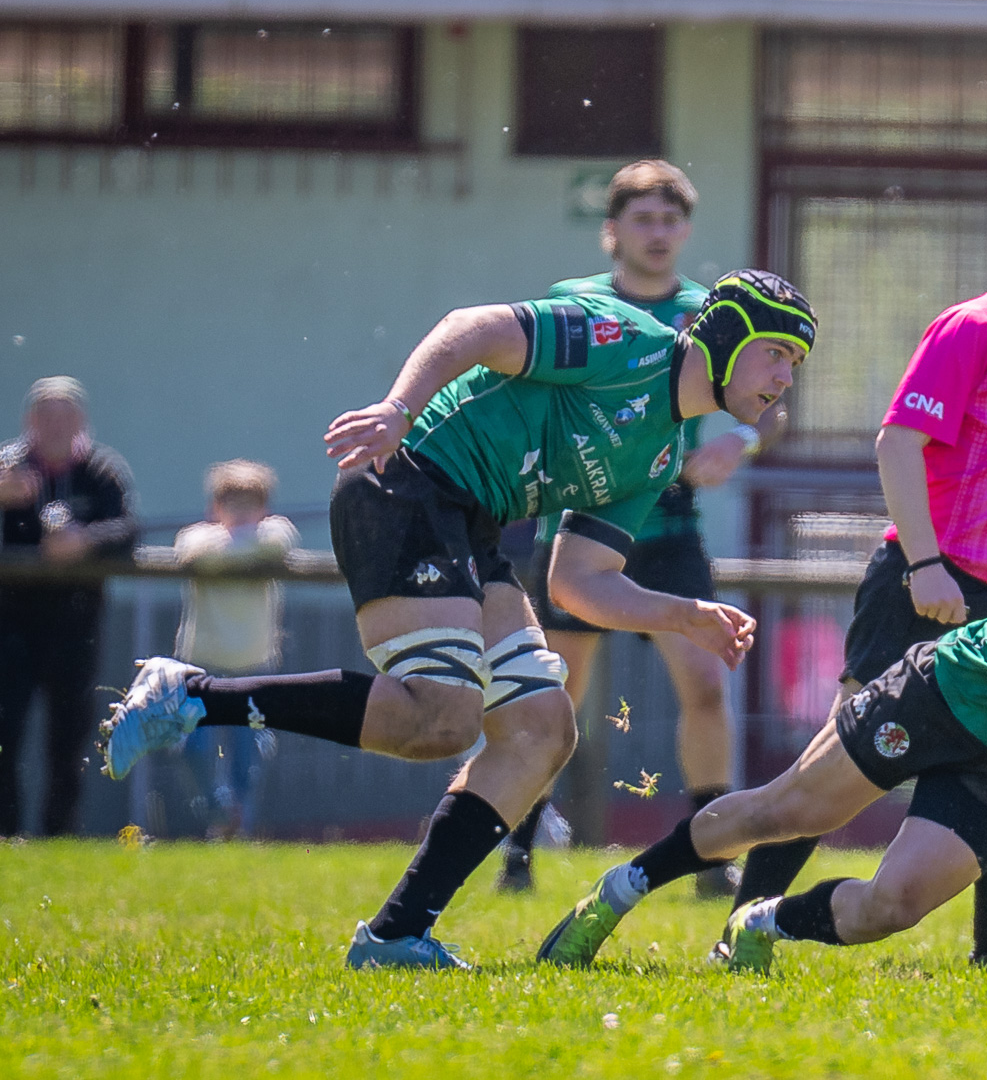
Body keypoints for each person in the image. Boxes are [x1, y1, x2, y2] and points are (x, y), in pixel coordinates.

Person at [100, 270, 816, 969]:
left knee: (542, 729)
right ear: (725, 335)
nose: (786, 378)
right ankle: (192, 694)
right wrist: (398, 408)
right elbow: (473, 327)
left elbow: (577, 582)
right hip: (406, 479)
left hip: (471, 524)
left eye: (796, 363)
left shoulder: (660, 455)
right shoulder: (625, 338)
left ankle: (395, 936)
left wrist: (683, 615)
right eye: (777, 353)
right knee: (441, 718)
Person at [535, 410, 987, 973]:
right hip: (940, 696)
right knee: (786, 809)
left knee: (893, 906)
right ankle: (620, 889)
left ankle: (763, 920)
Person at [727, 175, 987, 967]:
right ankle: (738, 929)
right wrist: (927, 565)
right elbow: (897, 442)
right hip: (923, 585)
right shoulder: (971, 329)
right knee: (836, 771)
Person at [500, 160, 783, 896]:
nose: (657, 233)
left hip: (669, 528)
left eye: (670, 219)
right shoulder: (575, 302)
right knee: (555, 695)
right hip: (577, 525)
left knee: (707, 686)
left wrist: (739, 441)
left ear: (686, 229)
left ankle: (711, 857)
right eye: (643, 219)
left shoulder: (712, 313)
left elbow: (770, 405)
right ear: (612, 231)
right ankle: (517, 853)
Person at [0, 376, 139, 837]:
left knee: (68, 739)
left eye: (65, 418)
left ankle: (58, 837)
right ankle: (7, 836)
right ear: (29, 421)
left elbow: (127, 529)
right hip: (9, 624)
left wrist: (85, 541)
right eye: (46, 417)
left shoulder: (101, 471)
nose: (55, 427)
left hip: (76, 625)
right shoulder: (7, 467)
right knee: (5, 736)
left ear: (81, 422)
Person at [171, 460, 301, 839]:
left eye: (250, 504)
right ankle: (218, 813)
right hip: (201, 665)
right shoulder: (197, 537)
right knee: (191, 748)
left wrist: (231, 552)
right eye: (233, 504)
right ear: (216, 507)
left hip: (254, 665)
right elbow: (191, 552)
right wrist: (245, 552)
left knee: (248, 759)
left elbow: (280, 540)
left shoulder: (273, 534)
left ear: (264, 508)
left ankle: (237, 830)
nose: (242, 513)